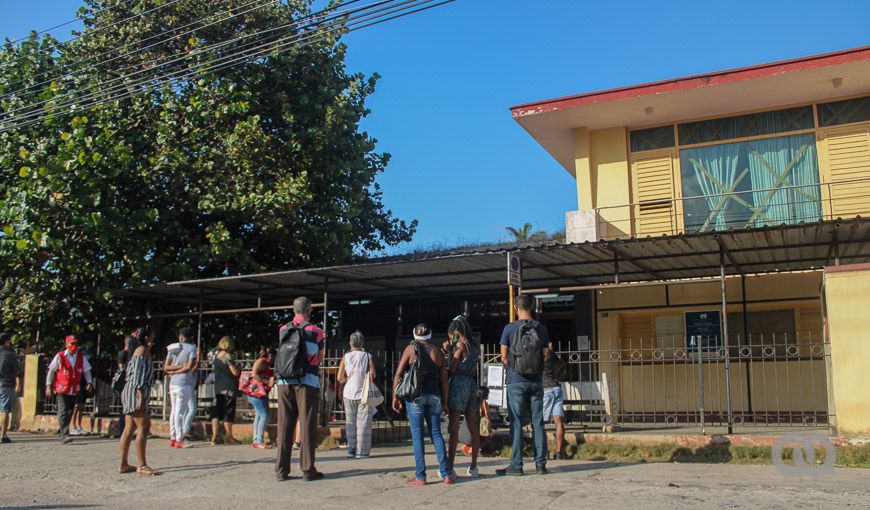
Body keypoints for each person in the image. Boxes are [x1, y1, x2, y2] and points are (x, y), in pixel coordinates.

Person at [392, 323, 452, 487]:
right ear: (430, 335)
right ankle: (446, 474)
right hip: (435, 397)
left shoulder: (410, 350)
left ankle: (421, 476)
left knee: (417, 435)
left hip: (415, 397)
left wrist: (395, 396)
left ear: (415, 335)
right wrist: (445, 402)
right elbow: (444, 381)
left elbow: (398, 373)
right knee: (436, 434)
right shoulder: (438, 352)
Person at [496, 294, 549, 476]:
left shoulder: (509, 329)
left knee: (516, 422)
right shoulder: (541, 329)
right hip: (536, 380)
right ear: (531, 307)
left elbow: (503, 356)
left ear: (516, 308)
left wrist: (515, 365)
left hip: (515, 380)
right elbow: (546, 354)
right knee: (538, 422)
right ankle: (540, 464)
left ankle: (517, 465)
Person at [275, 296, 325, 482]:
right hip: (307, 382)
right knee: (307, 425)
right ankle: (307, 469)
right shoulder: (316, 331)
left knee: (285, 426)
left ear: (293, 309)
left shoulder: (283, 330)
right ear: (309, 310)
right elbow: (318, 359)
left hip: (284, 382)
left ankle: (281, 470)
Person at [119, 326, 159, 476]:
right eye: (152, 335)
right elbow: (138, 376)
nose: (154, 336)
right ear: (147, 337)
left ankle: (123, 464)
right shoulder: (142, 351)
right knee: (144, 426)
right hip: (136, 392)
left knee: (129, 429)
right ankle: (142, 465)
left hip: (132, 391)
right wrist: (141, 396)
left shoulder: (141, 351)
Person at [445, 315, 481, 478]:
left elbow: (452, 368)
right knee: (473, 427)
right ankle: (473, 466)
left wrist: (449, 352)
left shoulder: (459, 346)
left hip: (458, 385)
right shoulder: (474, 347)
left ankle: (450, 466)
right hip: (471, 385)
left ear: (455, 332)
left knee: (454, 427)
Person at [46, 335, 93, 444]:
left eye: (76, 344)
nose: (74, 346)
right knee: (63, 411)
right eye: (72, 344)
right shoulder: (60, 356)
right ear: (67, 345)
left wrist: (89, 382)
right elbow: (51, 371)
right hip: (62, 388)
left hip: (74, 388)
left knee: (70, 411)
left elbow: (86, 371)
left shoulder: (81, 357)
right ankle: (64, 434)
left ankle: (62, 432)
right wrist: (48, 386)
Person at [337, 331, 376, 459]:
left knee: (350, 422)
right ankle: (362, 451)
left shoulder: (345, 357)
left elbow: (339, 377)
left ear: (350, 343)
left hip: (348, 392)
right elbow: (373, 374)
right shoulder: (367, 356)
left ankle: (351, 449)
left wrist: (347, 379)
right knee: (363, 422)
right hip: (363, 393)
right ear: (362, 343)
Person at [165, 327, 198, 448]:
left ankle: (173, 437)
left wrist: (174, 371)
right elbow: (189, 366)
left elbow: (166, 367)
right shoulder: (192, 348)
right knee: (180, 412)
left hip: (173, 383)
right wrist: (181, 368)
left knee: (173, 411)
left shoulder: (172, 347)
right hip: (185, 383)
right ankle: (180, 439)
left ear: (181, 337)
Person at [210, 335, 241, 445]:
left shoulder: (216, 356)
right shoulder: (228, 356)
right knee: (228, 412)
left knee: (217, 412)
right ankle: (229, 437)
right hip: (229, 386)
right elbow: (235, 372)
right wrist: (238, 367)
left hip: (218, 386)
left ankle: (215, 436)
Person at [542, 338, 567, 460]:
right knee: (558, 421)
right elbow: (561, 366)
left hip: (545, 389)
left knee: (540, 423)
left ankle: (543, 451)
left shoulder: (539, 356)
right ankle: (559, 452)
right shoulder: (553, 356)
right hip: (556, 388)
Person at [247, 346, 275, 449]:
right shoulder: (262, 362)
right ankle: (259, 440)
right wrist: (267, 382)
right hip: (258, 393)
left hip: (256, 393)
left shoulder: (261, 361)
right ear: (270, 355)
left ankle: (256, 439)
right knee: (265, 415)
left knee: (259, 415)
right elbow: (254, 374)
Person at [0, 333, 21, 443]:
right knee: (5, 410)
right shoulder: (9, 354)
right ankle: (3, 435)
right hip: (6, 384)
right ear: (7, 342)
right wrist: (18, 383)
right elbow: (16, 371)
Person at [114, 335, 134, 438]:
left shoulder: (132, 354)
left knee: (129, 408)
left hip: (129, 383)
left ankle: (128, 429)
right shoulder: (123, 354)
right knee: (124, 408)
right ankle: (122, 429)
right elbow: (121, 370)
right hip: (123, 384)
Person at [70, 347, 92, 436]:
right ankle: (73, 426)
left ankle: (79, 426)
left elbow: (87, 374)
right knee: (76, 407)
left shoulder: (84, 363)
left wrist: (88, 383)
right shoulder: (75, 362)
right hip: (76, 386)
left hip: (83, 386)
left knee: (81, 407)